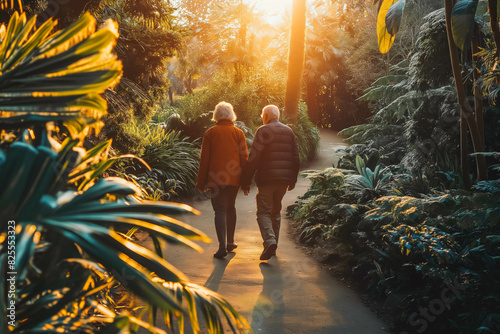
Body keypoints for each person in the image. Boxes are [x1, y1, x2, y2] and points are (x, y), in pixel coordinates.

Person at [241, 105, 299, 261]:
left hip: (267, 179)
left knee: (263, 212)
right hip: (283, 181)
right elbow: (295, 157)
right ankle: (273, 248)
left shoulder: (263, 130)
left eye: (262, 116)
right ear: (277, 116)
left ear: (265, 116)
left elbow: (253, 158)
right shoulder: (288, 131)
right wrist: (292, 179)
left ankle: (270, 241)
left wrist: (246, 180)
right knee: (275, 212)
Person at [195, 101, 248, 259]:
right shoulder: (238, 133)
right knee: (231, 208)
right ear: (231, 115)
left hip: (216, 178)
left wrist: (201, 183)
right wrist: (245, 182)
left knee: (219, 210)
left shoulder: (210, 133)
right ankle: (230, 242)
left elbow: (205, 159)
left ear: (216, 115)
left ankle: (221, 247)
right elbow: (244, 158)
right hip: (234, 178)